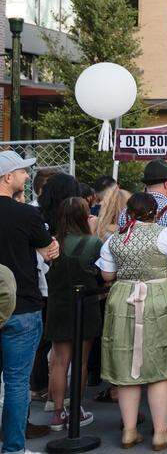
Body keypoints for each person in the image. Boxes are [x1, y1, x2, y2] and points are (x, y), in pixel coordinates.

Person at [98, 192, 167, 451]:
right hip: (161, 299)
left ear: (129, 214)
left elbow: (107, 274)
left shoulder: (115, 238)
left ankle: (130, 431)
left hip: (124, 298)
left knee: (128, 369)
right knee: (161, 366)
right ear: (156, 213)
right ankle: (160, 434)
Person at [0, 151, 59, 453]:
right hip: (21, 307)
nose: (27, 177)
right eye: (23, 172)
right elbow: (48, 249)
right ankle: (13, 448)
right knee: (16, 383)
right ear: (8, 178)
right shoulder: (26, 214)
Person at [44, 197, 103, 431]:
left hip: (58, 305)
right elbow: (103, 273)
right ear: (84, 216)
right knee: (81, 361)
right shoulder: (93, 243)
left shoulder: (51, 243)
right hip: (85, 305)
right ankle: (76, 409)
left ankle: (57, 413)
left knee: (59, 361)